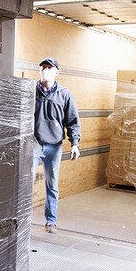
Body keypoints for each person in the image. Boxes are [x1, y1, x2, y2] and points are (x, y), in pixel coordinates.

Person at [33, 57, 81, 234]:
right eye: (43, 67)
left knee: (52, 185)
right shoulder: (31, 91)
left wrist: (74, 144)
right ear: (39, 71)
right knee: (25, 183)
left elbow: (73, 121)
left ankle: (51, 221)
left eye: (49, 67)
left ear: (56, 72)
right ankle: (22, 220)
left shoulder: (64, 94)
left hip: (54, 146)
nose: (46, 70)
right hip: (33, 144)